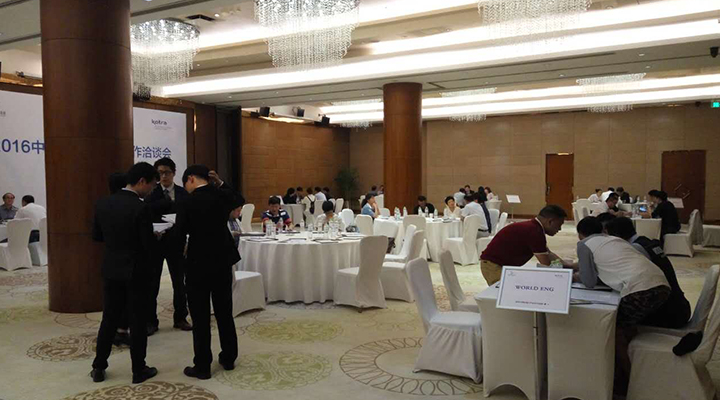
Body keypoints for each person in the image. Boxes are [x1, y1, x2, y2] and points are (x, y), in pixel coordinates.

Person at [574, 216, 670, 395]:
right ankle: (635, 368)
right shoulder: (615, 240)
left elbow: (589, 281)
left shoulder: (584, 244)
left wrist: (573, 276)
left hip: (640, 290)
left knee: (612, 328)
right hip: (661, 286)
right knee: (626, 325)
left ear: (580, 233)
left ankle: (627, 379)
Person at [90, 162, 159, 384]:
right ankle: (139, 370)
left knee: (109, 319)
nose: (151, 190)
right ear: (142, 181)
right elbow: (147, 245)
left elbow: (97, 236)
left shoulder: (103, 203)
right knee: (137, 321)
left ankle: (99, 367)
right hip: (136, 271)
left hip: (111, 268)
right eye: (152, 185)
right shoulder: (141, 207)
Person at [175, 166, 241, 380]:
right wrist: (220, 183)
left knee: (200, 316)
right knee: (224, 311)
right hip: (222, 260)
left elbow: (180, 233)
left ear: (191, 179)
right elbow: (239, 198)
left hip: (198, 262)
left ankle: (202, 366)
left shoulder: (187, 201)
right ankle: (228, 358)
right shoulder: (221, 195)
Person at [606, 217, 691, 329]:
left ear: (616, 236)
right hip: (680, 306)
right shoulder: (647, 242)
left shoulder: (635, 250)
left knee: (615, 318)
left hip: (669, 315)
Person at [145, 157, 192, 334]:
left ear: (174, 173)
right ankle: (151, 321)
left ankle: (180, 317)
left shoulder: (182, 193)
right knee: (152, 284)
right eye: (160, 173)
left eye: (167, 172)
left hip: (177, 243)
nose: (163, 176)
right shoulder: (151, 193)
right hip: (156, 243)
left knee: (179, 283)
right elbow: (146, 215)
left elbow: (188, 217)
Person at [480, 205, 570, 285]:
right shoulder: (535, 232)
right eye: (559, 225)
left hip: (496, 264)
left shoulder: (534, 228)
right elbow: (546, 264)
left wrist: (568, 265)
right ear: (550, 221)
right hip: (494, 265)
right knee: (507, 292)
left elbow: (548, 254)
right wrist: (567, 276)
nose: (559, 229)